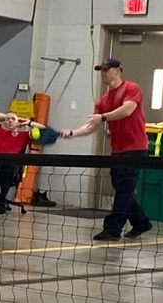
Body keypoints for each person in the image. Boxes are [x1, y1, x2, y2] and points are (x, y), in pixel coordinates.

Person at [61, 58, 153, 241]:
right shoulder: (103, 101)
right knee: (120, 186)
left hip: (135, 148)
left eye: (106, 69)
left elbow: (126, 110)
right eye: (101, 70)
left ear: (117, 70)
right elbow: (92, 125)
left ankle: (112, 229)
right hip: (117, 150)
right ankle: (141, 222)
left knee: (124, 188)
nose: (103, 73)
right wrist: (74, 133)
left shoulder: (131, 89)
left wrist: (103, 117)